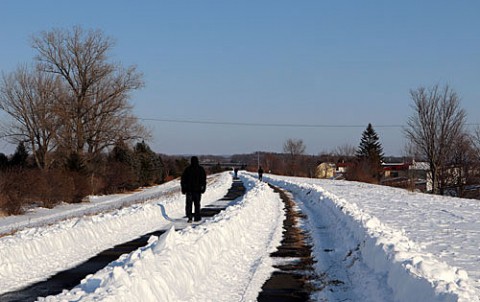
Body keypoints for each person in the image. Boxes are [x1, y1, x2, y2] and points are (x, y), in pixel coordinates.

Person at [181, 156, 207, 223]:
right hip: (197, 191)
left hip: (189, 190)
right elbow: (204, 180)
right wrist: (203, 188)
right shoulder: (201, 169)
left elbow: (183, 180)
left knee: (189, 205)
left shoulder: (187, 169)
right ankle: (197, 217)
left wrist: (183, 189)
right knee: (197, 204)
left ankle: (189, 217)